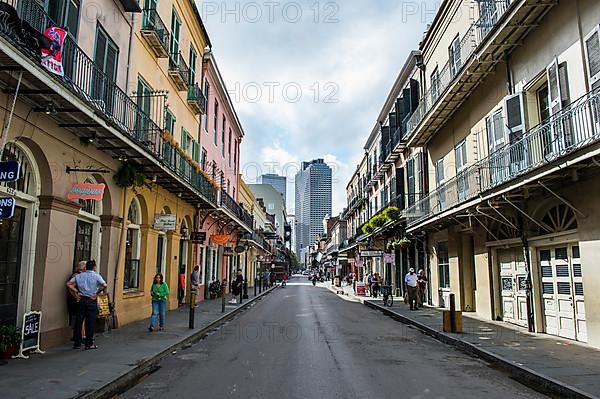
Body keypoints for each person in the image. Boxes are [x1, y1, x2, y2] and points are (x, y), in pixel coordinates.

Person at [66, 260, 107, 349]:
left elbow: (69, 284)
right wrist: (96, 293)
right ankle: (89, 344)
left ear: (86, 267)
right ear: (94, 267)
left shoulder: (79, 276)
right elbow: (104, 285)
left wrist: (77, 291)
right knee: (90, 322)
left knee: (79, 321)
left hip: (82, 299)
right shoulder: (96, 276)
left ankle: (77, 343)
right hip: (91, 300)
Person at [67, 261, 86, 341]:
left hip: (79, 300)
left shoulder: (81, 275)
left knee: (81, 318)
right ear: (83, 268)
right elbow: (70, 286)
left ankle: (80, 335)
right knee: (79, 318)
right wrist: (76, 295)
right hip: (75, 301)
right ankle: (81, 336)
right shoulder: (76, 275)